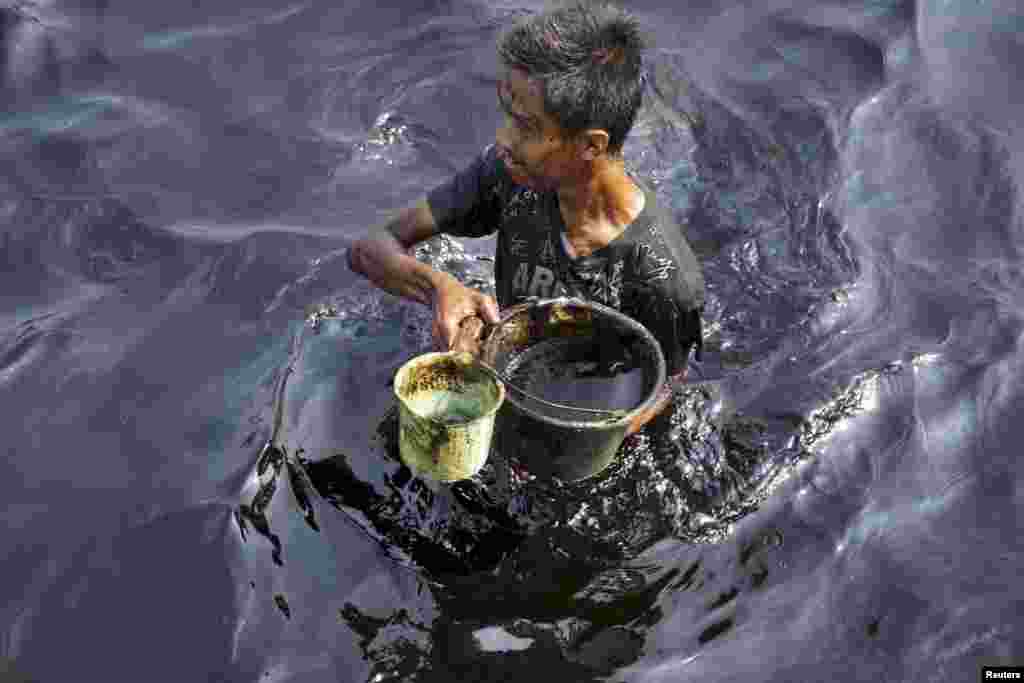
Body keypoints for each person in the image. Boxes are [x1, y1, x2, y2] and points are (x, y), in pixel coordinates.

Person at [349, 0, 704, 436]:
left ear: (591, 146)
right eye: (507, 117)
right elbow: (369, 249)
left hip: (587, 411)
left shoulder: (661, 275)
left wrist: (588, 441)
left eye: (527, 128)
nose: (503, 140)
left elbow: (669, 384)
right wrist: (439, 289)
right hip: (515, 380)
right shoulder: (508, 177)